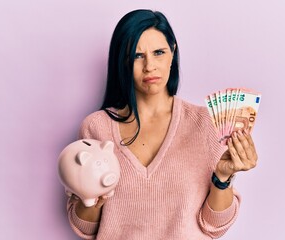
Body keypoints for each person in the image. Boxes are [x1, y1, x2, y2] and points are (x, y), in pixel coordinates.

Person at [66, 9, 258, 240]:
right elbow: (85, 228)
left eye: (158, 52)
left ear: (172, 52)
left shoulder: (205, 124)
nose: (149, 66)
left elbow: (214, 225)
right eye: (137, 56)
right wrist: (93, 200)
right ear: (123, 61)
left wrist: (223, 177)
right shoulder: (96, 128)